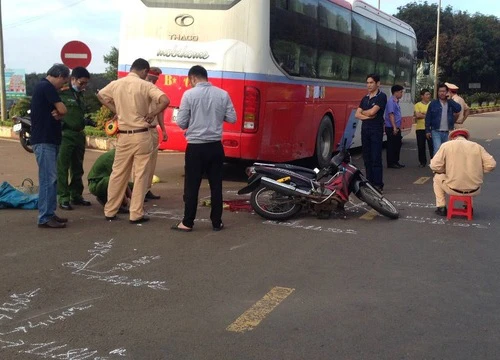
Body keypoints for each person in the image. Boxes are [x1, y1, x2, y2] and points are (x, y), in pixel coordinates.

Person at [97, 58, 170, 224]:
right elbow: (165, 100)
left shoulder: (116, 84)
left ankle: (110, 210)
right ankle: (135, 213)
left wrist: (116, 110)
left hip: (123, 135)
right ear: (144, 71)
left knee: (118, 173)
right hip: (141, 134)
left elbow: (101, 96)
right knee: (140, 175)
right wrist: (153, 113)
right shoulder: (146, 85)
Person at [171, 65, 236, 232]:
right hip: (215, 146)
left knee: (192, 186)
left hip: (195, 147)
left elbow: (182, 123)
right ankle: (216, 222)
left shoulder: (189, 95)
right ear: (206, 77)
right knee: (216, 185)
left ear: (193, 78)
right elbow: (232, 118)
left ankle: (187, 222)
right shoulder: (222, 94)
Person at [30, 64, 70, 228]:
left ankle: (49, 213)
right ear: (60, 76)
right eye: (63, 81)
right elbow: (62, 109)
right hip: (44, 140)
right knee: (48, 179)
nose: (63, 85)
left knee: (51, 179)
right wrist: (60, 111)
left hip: (49, 139)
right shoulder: (46, 87)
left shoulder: (42, 87)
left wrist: (58, 113)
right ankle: (45, 216)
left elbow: (58, 112)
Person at [430, 128, 496, 216]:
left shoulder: (447, 145)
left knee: (437, 178)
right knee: (469, 179)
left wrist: (445, 171)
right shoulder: (477, 146)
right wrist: (478, 170)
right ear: (466, 138)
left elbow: (434, 165)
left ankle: (441, 207)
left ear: (453, 138)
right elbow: (491, 164)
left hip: (453, 188)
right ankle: (469, 206)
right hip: (474, 189)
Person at [57, 67, 92, 210]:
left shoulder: (81, 95)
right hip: (66, 134)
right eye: (81, 83)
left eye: (85, 84)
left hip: (79, 134)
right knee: (63, 167)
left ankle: (76, 195)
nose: (83, 86)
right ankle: (63, 198)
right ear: (73, 79)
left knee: (78, 167)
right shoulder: (62, 94)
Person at [355, 74, 387, 192]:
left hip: (376, 130)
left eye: (371, 82)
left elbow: (373, 111)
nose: (369, 85)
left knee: (376, 157)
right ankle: (369, 182)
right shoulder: (365, 98)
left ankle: (378, 183)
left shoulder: (381, 97)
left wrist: (365, 113)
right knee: (367, 157)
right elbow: (357, 114)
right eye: (367, 82)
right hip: (365, 130)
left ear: (378, 83)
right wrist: (368, 115)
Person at [144, 67, 168, 200]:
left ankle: (147, 189)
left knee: (151, 163)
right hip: (142, 129)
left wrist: (163, 130)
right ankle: (137, 190)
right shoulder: (141, 89)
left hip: (153, 129)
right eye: (151, 79)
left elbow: (160, 112)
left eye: (155, 80)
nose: (153, 82)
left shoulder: (157, 92)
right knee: (142, 163)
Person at [87, 149, 131, 213]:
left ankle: (112, 200)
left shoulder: (117, 153)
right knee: (117, 179)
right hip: (96, 184)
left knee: (130, 184)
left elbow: (124, 181)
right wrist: (125, 200)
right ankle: (112, 203)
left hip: (103, 181)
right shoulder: (112, 158)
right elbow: (118, 180)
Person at [425, 83, 461, 155]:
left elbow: (458, 109)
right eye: (440, 91)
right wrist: (427, 131)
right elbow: (428, 117)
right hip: (436, 131)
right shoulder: (433, 104)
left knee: (446, 151)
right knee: (437, 149)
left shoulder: (450, 103)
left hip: (447, 131)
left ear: (447, 92)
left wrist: (450, 100)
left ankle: (444, 165)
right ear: (437, 92)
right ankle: (436, 166)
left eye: (444, 91)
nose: (442, 93)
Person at [384, 84, 405, 169]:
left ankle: (396, 161)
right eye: (400, 92)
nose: (402, 94)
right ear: (395, 92)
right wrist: (394, 127)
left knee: (397, 144)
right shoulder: (390, 102)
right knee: (391, 145)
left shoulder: (396, 102)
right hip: (391, 127)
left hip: (396, 127)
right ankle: (391, 163)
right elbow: (391, 114)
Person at [414, 89, 434, 167]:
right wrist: (428, 115)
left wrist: (424, 114)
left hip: (430, 128)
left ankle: (434, 161)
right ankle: (422, 162)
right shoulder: (417, 105)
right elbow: (418, 116)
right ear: (422, 96)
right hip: (420, 128)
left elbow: (434, 116)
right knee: (421, 146)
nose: (428, 96)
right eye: (426, 94)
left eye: (429, 94)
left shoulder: (432, 104)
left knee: (432, 146)